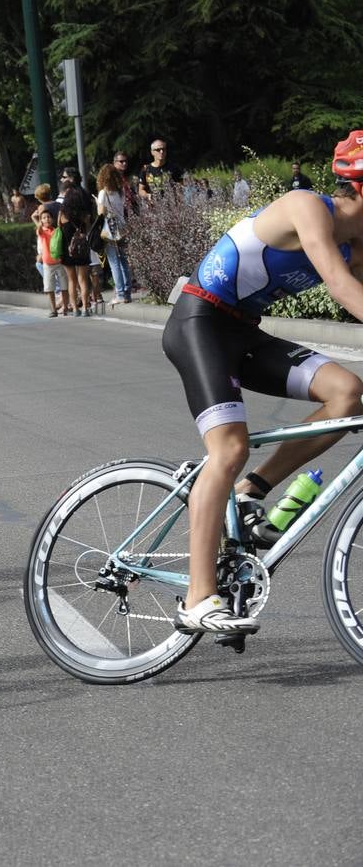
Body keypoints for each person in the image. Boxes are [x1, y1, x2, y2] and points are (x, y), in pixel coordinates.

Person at [159, 130, 363, 634]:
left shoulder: (358, 241)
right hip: (199, 323)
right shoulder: (307, 207)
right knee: (228, 450)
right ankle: (197, 598)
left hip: (244, 333)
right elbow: (340, 285)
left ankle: (252, 491)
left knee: (347, 392)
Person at [57, 167, 96, 315]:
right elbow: (88, 221)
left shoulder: (63, 210)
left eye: (65, 177)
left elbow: (59, 225)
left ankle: (75, 309)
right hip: (82, 243)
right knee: (83, 278)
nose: (63, 179)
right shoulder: (84, 196)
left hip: (68, 246)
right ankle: (86, 307)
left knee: (71, 279)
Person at [95, 164, 132, 304]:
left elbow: (100, 213)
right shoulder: (120, 191)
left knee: (114, 262)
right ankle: (127, 293)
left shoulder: (103, 193)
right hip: (122, 228)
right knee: (123, 261)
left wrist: (98, 203)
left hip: (110, 230)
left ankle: (120, 294)